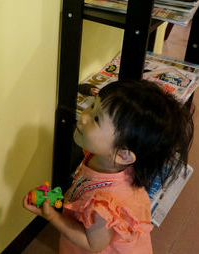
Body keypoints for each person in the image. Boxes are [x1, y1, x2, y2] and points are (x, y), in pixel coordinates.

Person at [24, 80, 194, 253]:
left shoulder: (105, 204)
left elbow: (92, 244)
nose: (83, 116)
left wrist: (52, 216)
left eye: (96, 119)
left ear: (123, 154)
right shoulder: (104, 159)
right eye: (92, 106)